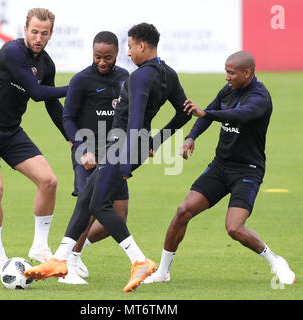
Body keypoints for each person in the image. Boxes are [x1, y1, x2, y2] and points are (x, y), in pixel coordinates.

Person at [24, 22, 192, 292]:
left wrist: (126, 159)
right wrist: (156, 141)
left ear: (141, 45)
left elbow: (134, 119)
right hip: (129, 147)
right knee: (89, 199)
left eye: (129, 46)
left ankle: (139, 260)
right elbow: (184, 112)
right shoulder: (168, 74)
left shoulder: (137, 77)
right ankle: (60, 260)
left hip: (120, 148)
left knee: (100, 205)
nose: (128, 52)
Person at [143, 50, 296, 285]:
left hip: (248, 170)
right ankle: (163, 272)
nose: (227, 77)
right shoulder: (228, 91)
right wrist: (191, 138)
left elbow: (239, 115)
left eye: (231, 73)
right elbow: (205, 116)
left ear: (247, 73)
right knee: (183, 211)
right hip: (220, 166)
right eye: (226, 72)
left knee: (234, 228)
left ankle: (276, 261)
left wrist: (208, 113)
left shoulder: (260, 97)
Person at [0, 8, 69, 275]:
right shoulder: (11, 52)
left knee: (49, 181)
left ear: (51, 34)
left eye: (44, 33)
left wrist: (71, 137)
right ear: (25, 30)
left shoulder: (47, 64)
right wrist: (79, 86)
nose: (38, 37)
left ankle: (39, 247)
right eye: (34, 31)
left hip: (11, 133)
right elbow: (35, 93)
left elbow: (51, 103)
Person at [60, 31, 130, 285]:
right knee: (88, 209)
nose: (102, 62)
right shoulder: (81, 80)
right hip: (87, 153)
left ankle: (74, 254)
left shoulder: (124, 77)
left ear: (116, 54)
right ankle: (67, 265)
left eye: (108, 57)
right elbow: (67, 118)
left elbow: (130, 114)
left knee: (119, 215)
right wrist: (81, 148)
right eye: (98, 56)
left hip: (114, 154)